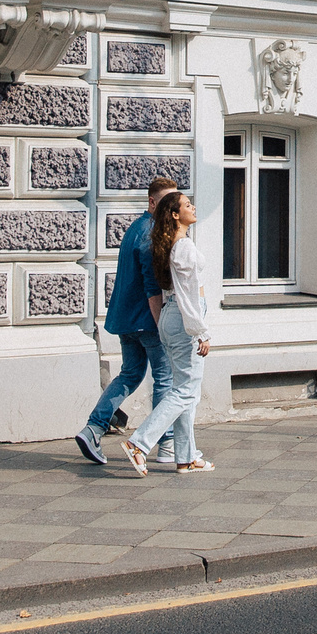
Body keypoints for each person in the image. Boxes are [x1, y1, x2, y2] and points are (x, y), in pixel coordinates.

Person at [74, 176, 178, 466]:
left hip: (125, 319)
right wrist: (162, 327)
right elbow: (151, 287)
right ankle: (166, 442)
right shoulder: (151, 235)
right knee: (165, 379)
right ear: (152, 202)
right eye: (167, 202)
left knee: (130, 375)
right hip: (146, 320)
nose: (172, 209)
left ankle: (93, 428)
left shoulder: (135, 228)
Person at [124, 191, 213, 477]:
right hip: (185, 317)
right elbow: (189, 295)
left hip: (171, 317)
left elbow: (169, 292)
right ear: (175, 214)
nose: (193, 207)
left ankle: (187, 457)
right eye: (187, 205)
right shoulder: (183, 246)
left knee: (185, 391)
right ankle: (139, 443)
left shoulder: (166, 244)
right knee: (185, 391)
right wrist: (201, 331)